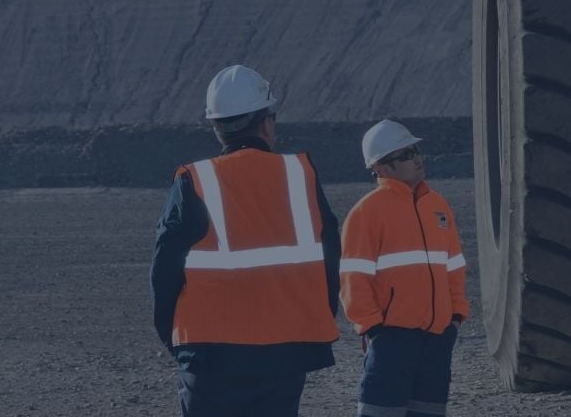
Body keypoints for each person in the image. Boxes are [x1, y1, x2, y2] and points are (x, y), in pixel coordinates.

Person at [150, 64, 341, 417]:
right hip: (285, 354)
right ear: (266, 123)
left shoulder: (195, 180)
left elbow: (165, 266)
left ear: (217, 128)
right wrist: (315, 318)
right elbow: (330, 255)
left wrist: (173, 337)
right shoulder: (299, 176)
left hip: (210, 356)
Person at [340, 119, 471, 417]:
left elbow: (454, 267)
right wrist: (374, 330)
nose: (417, 159)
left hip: (437, 342)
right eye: (406, 155)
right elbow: (353, 280)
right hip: (392, 343)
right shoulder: (366, 212)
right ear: (382, 167)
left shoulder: (437, 205)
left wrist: (455, 318)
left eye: (415, 151)